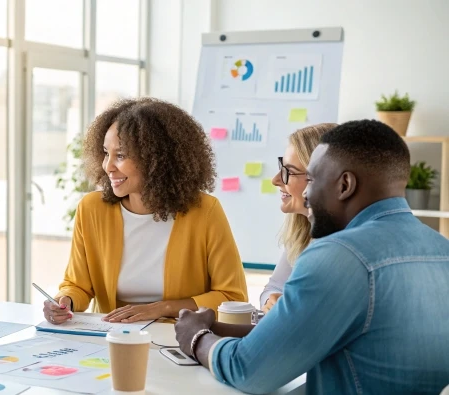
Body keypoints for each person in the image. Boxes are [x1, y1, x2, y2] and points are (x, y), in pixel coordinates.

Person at [175, 119, 449, 394]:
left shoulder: (339, 256)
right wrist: (218, 328)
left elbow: (248, 371)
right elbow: (316, 335)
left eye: (313, 179)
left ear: (345, 185)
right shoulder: (441, 250)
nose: (306, 193)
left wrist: (196, 338)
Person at [44, 97, 248, 325]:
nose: (107, 166)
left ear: (156, 160)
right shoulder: (92, 209)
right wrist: (65, 301)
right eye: (105, 153)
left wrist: (162, 309)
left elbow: (232, 298)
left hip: (179, 340)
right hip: (111, 339)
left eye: (120, 156)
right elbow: (77, 285)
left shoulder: (205, 211)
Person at [260, 123, 337, 313]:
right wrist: (271, 301)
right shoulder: (302, 230)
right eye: (281, 167)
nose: (276, 180)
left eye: (289, 171)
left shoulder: (339, 248)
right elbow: (273, 287)